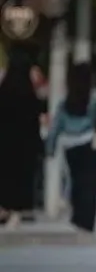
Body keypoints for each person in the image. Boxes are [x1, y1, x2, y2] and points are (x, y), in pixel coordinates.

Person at [45, 63, 96, 232]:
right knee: (89, 183)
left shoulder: (66, 102)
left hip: (70, 145)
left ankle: (77, 215)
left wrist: (50, 146)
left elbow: (56, 125)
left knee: (75, 180)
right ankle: (87, 219)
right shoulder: (92, 100)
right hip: (88, 142)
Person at [0, 60, 43, 227]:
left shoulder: (4, 93)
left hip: (4, 144)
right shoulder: (29, 96)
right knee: (21, 178)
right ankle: (16, 211)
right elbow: (34, 123)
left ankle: (3, 207)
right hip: (24, 147)